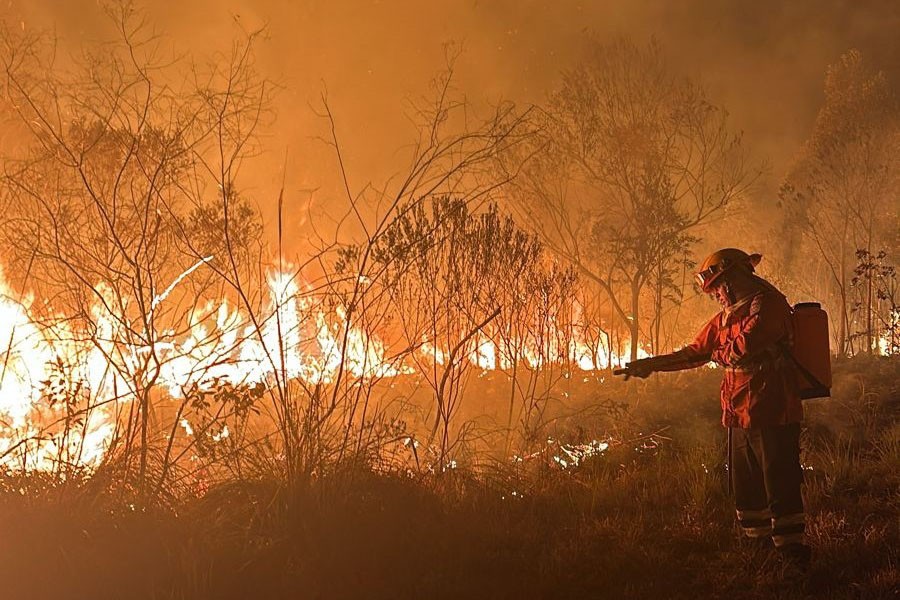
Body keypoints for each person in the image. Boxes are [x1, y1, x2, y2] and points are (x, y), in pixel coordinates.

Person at [616, 248, 811, 570]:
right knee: (745, 483)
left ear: (734, 277)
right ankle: (757, 544)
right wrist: (651, 364)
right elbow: (696, 352)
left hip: (773, 407)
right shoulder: (727, 316)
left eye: (717, 287)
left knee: (779, 478)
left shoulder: (770, 305)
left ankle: (791, 551)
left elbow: (743, 349)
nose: (716, 296)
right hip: (738, 410)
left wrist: (718, 353)